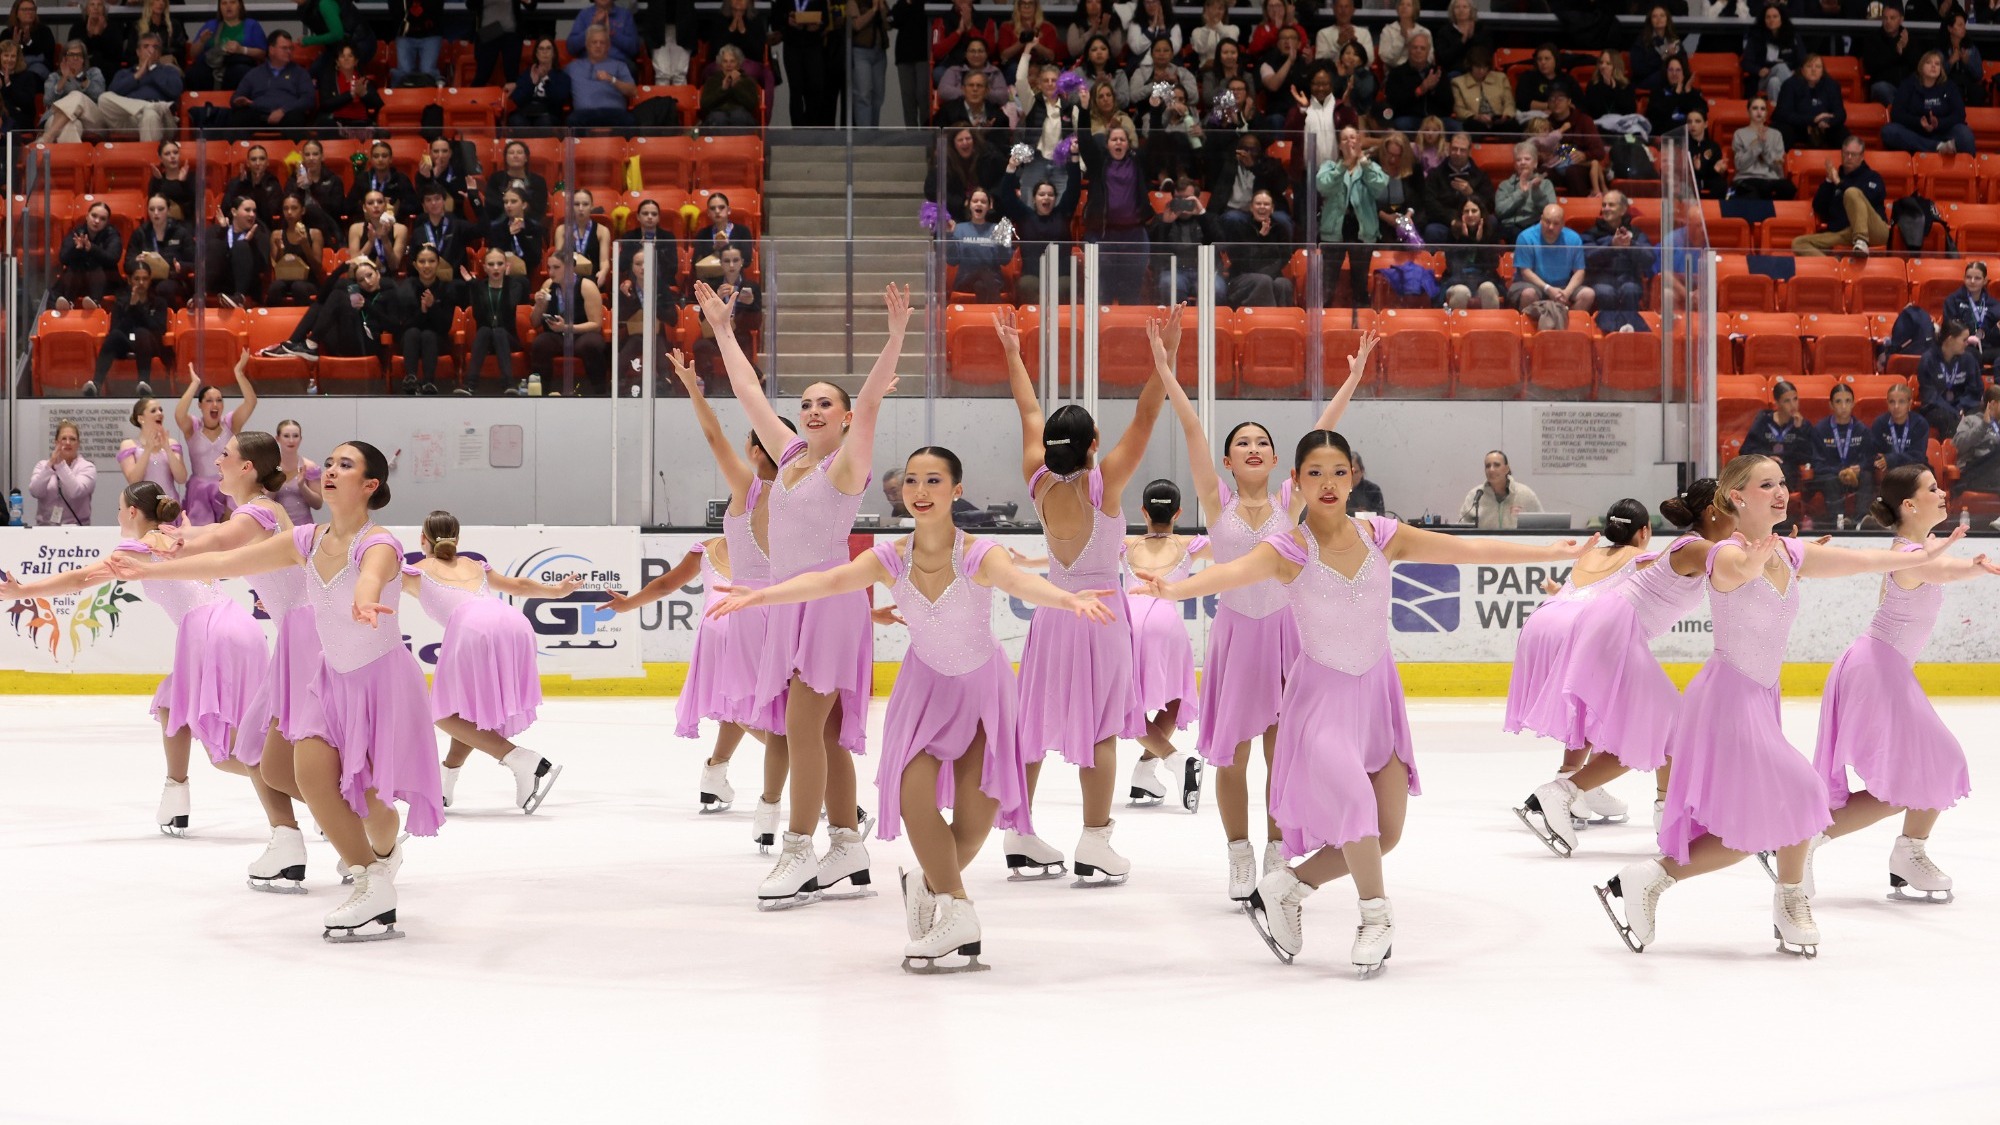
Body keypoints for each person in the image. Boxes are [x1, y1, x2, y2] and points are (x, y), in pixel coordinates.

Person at [1142, 429, 1593, 971]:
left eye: (1338, 471)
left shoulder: (1381, 535)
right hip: (1320, 704)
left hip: (1379, 697)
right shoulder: (1289, 549)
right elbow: (1228, 573)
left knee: (1388, 832)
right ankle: (1375, 915)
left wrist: (1547, 552)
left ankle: (1286, 887)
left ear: (1352, 476)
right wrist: (1172, 588)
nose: (1328, 483)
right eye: (1315, 473)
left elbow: (1466, 549)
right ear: (1297, 481)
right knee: (1356, 809)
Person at [711, 446, 1109, 970]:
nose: (921, 491)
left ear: (956, 490)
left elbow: (1020, 582)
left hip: (982, 694)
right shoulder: (890, 557)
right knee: (910, 794)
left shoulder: (979, 553)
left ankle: (931, 882)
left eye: (934, 480)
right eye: (913, 481)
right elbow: (829, 580)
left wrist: (1068, 599)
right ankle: (959, 912)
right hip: (923, 692)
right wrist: (761, 597)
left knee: (974, 823)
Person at [1594, 455, 1960, 957]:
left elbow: (1860, 561)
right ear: (1737, 497)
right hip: (1726, 700)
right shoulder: (1724, 553)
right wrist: (1752, 559)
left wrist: (1916, 559)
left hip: (1758, 697)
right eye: (1767, 485)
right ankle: (1789, 901)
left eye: (1783, 482)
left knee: (1755, 826)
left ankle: (1649, 879)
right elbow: (1735, 569)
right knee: (1802, 793)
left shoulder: (1789, 551)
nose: (1781, 491)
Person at [104, 442, 444, 942]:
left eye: (345, 466)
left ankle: (381, 859)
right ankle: (372, 878)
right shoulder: (306, 539)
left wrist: (366, 600)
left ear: (370, 485)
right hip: (329, 678)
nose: (331, 470)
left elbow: (372, 575)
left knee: (369, 795)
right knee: (295, 771)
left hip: (377, 681)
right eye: (330, 462)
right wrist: (150, 569)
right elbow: (229, 557)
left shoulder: (379, 543)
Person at [698, 280, 907, 909]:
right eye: (807, 403)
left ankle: (799, 851)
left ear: (843, 418)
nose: (813, 411)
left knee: (802, 728)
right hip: (792, 603)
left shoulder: (847, 463)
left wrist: (896, 337)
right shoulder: (788, 455)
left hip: (829, 605)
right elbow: (748, 391)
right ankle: (846, 843)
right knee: (830, 732)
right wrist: (723, 331)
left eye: (826, 404)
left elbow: (871, 402)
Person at [1155, 323, 1373, 897]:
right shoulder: (1215, 500)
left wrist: (1352, 377)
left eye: (1261, 442)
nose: (1252, 447)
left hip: (1284, 633)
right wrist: (1167, 372)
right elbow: (1192, 428)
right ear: (1228, 460)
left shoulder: (1289, 500)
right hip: (1236, 634)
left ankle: (1278, 848)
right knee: (1233, 755)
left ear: (1279, 460)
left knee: (1283, 751)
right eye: (1242, 443)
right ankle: (1239, 854)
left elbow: (1324, 430)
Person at [991, 307, 1166, 886]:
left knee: (1034, 723)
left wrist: (1013, 352)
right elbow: (1146, 415)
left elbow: (1027, 410)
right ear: (1094, 444)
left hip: (1051, 612)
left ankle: (1019, 832)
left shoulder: (1036, 478)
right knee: (1101, 728)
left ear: (1050, 447)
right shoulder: (1103, 483)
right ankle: (1094, 841)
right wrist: (1163, 357)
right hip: (1101, 614)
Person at [1, 481, 266, 842]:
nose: (117, 515)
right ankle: (176, 795)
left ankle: (314, 792)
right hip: (240, 624)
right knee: (172, 702)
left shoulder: (138, 548)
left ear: (132, 512)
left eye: (119, 508)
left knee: (226, 754)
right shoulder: (176, 536)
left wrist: (22, 592)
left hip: (209, 633)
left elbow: (79, 580)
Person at [612, 350, 789, 832]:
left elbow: (713, 436)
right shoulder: (808, 495)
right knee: (777, 713)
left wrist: (693, 388)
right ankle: (737, 776)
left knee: (762, 713)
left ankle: (746, 777)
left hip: (742, 611)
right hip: (788, 611)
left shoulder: (749, 490)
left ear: (757, 450)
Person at [1810, 465, 1996, 902]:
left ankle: (1908, 851)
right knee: (1924, 770)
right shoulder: (1907, 554)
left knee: (1927, 770)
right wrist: (1972, 566)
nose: (1943, 492)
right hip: (1876, 671)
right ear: (1910, 504)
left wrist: (1966, 563)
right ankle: (1806, 838)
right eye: (1933, 488)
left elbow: (1937, 564)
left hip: (1886, 670)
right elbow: (1941, 570)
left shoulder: (1916, 549)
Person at [1516, 480, 1734, 850]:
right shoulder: (1696, 547)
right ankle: (1567, 791)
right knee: (1661, 725)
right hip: (1613, 629)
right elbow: (1739, 568)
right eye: (1734, 507)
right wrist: (1786, 557)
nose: (1739, 515)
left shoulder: (1696, 545)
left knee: (1666, 725)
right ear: (1713, 512)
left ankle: (1658, 811)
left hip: (1613, 628)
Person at [398, 512, 573, 812]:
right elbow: (518, 586)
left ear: (422, 539)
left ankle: (521, 759)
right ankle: (446, 779)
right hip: (513, 623)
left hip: (473, 628)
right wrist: (556, 592)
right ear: (458, 538)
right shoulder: (475, 564)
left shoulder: (414, 572)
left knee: (440, 712)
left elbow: (375, 586)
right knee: (467, 710)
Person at [1505, 499, 1654, 851]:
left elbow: (1582, 590)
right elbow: (1685, 565)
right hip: (1578, 627)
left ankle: (1583, 781)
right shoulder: (1641, 557)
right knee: (1596, 702)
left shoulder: (1589, 554)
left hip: (1544, 620)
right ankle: (1573, 784)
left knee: (1589, 703)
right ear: (1644, 531)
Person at [1121, 479, 1208, 812]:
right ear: (1178, 512)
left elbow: (1075, 556)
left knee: (1125, 706)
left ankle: (1160, 765)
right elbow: (1238, 551)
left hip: (1129, 622)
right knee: (1175, 697)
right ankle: (1159, 764)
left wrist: (1029, 563)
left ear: (1143, 511)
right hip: (1166, 622)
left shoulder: (1126, 545)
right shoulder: (1188, 545)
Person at [174, 356, 258, 526]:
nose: (215, 404)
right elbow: (179, 414)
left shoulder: (231, 424)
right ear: (200, 405)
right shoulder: (193, 427)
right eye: (209, 400)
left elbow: (251, 402)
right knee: (201, 534)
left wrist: (239, 373)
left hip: (228, 486)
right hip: (199, 491)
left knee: (230, 533)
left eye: (219, 400)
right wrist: (194, 384)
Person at [1075, 125, 1152, 304]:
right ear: (1107, 144)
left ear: (1128, 144)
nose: (1118, 142)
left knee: (1130, 293)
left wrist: (1155, 113)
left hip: (1134, 237)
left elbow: (1154, 142)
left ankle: (1127, 322)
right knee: (1103, 292)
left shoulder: (1137, 162)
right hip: (1103, 235)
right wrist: (1084, 112)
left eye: (1122, 139)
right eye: (1114, 139)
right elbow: (1085, 142)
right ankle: (1100, 323)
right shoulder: (1098, 163)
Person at [1315, 124, 1388, 306]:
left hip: (1362, 232)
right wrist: (1343, 167)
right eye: (1345, 139)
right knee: (1327, 285)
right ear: (1339, 145)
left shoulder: (1369, 167)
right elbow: (1322, 186)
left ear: (1359, 142)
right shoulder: (1329, 166)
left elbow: (1380, 186)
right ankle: (1323, 318)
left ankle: (1361, 319)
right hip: (1334, 231)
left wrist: (1364, 163)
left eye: (1353, 138)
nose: (1349, 142)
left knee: (1360, 285)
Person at [1792, 136, 1888, 257]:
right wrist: (1829, 180)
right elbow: (1819, 207)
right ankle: (1832, 265)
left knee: (1852, 192)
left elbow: (1870, 197)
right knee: (1799, 243)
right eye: (1846, 153)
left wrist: (1839, 183)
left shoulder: (1873, 177)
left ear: (1862, 156)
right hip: (1844, 233)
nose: (1849, 157)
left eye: (1854, 154)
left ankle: (1861, 240)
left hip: (1873, 230)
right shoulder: (1835, 177)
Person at [530, 252, 609, 396]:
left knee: (591, 345)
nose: (551, 272)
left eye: (556, 267)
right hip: (557, 334)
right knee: (540, 344)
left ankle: (600, 392)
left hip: (582, 333)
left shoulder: (587, 286)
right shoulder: (548, 285)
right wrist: (539, 305)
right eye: (549, 267)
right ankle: (541, 393)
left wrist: (567, 327)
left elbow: (596, 324)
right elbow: (534, 323)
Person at [87, 255, 166, 394]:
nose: (141, 283)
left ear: (150, 280)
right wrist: (131, 307)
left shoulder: (159, 302)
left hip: (150, 344)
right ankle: (96, 384)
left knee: (141, 333)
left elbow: (158, 328)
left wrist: (137, 307)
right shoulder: (120, 302)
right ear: (129, 280)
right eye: (137, 279)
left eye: (145, 279)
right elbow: (116, 329)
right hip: (126, 342)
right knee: (115, 336)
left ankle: (144, 384)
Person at [1883, 50, 1977, 155]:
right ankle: (1937, 146)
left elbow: (1959, 114)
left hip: (1943, 132)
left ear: (1941, 69)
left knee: (1965, 134)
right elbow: (1897, 113)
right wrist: (1919, 122)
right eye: (1928, 62)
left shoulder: (1950, 86)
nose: (1933, 66)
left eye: (1937, 64)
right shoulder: (1908, 85)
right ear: (1921, 67)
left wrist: (1939, 123)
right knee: (1889, 131)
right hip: (1915, 132)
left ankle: (1969, 164)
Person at [396, 246, 460, 395]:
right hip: (410, 341)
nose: (427, 266)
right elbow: (404, 325)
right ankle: (410, 380)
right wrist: (423, 311)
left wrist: (433, 307)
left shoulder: (446, 288)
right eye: (422, 261)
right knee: (412, 332)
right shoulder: (406, 287)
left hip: (437, 341)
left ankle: (429, 383)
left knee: (428, 335)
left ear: (438, 263)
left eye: (431, 261)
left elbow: (445, 326)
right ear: (415, 264)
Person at [464, 248, 529, 394]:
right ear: (484, 267)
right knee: (484, 330)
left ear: (506, 266)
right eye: (491, 264)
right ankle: (470, 385)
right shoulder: (479, 286)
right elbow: (478, 317)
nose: (495, 268)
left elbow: (508, 310)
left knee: (499, 331)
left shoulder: (514, 285)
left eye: (500, 264)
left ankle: (509, 384)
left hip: (508, 338)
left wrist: (505, 284)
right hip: (486, 339)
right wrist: (473, 289)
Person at [96, 32, 181, 142]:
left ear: (159, 53)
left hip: (162, 119)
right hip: (130, 119)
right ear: (138, 52)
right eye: (146, 46)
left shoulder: (169, 71)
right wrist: (138, 75)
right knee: (103, 98)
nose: (151, 50)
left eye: (155, 47)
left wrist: (152, 71)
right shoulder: (125, 73)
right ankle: (151, 106)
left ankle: (152, 109)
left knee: (150, 114)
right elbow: (114, 92)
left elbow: (175, 91)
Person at [1149, 177, 1222, 305]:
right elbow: (1155, 251)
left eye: (1187, 198)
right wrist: (1165, 225)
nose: (1183, 202)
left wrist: (1202, 216)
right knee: (1170, 285)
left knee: (1217, 289)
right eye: (1179, 198)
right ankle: (1179, 318)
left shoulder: (1209, 219)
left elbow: (1219, 243)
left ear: (1196, 199)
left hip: (1204, 270)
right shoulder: (1162, 219)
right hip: (1173, 270)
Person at [1510, 204, 1594, 314]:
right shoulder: (1525, 237)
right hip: (1531, 284)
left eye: (1556, 223)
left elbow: (1579, 271)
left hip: (1563, 286)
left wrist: (1567, 292)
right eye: (1547, 222)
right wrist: (1548, 289)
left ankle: (1566, 322)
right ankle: (1533, 324)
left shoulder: (1574, 238)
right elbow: (1525, 272)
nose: (1550, 227)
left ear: (1563, 223)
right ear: (1541, 219)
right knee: (1529, 294)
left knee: (1588, 294)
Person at [1742, 378, 1813, 505]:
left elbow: (1807, 456)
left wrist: (1799, 431)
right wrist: (1766, 457)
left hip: (1789, 472)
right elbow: (1746, 450)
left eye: (1795, 399)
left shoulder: (1803, 425)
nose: (1793, 405)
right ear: (1777, 403)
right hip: (1764, 470)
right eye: (1787, 401)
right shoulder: (1763, 421)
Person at [1583, 191, 1655, 313]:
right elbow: (1587, 257)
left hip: (1629, 280)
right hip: (1601, 281)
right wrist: (1611, 246)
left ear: (1623, 210)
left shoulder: (1636, 233)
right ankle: (1607, 325)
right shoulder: (1592, 233)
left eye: (1611, 205)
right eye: (1604, 205)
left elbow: (1649, 258)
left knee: (1630, 289)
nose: (1606, 208)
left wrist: (1631, 245)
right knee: (1605, 292)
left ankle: (1630, 325)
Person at [228, 31, 313, 133]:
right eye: (284, 48)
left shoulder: (300, 73)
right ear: (271, 50)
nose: (289, 51)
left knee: (296, 119)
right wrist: (239, 101)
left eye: (291, 48)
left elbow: (308, 99)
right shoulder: (254, 73)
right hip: (258, 114)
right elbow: (236, 97)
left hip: (287, 115)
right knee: (239, 117)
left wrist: (283, 110)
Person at [1419, 130, 1493, 246]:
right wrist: (1451, 220)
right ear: (1448, 148)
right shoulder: (1435, 174)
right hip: (1446, 222)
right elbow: (1430, 204)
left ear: (1469, 151)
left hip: (1474, 222)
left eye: (1462, 150)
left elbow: (1490, 205)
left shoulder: (1481, 176)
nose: (1457, 153)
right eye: (1454, 149)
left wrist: (1471, 193)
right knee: (1432, 231)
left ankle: (1484, 257)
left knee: (1492, 222)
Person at [1222, 188, 1294, 307]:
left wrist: (1266, 239)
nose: (1262, 207)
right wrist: (1260, 238)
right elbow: (1242, 262)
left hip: (1272, 276)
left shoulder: (1280, 229)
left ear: (1272, 208)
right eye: (1258, 203)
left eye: (1266, 204)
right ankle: (1264, 317)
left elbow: (1282, 259)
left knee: (1284, 283)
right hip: (1242, 277)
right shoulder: (1239, 227)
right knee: (1263, 280)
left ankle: (1283, 318)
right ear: (1251, 207)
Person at [1918, 319, 1984, 435]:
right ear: (1950, 339)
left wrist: (1962, 407)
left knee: (1982, 415)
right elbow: (1930, 396)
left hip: (1963, 407)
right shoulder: (1928, 360)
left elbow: (1975, 390)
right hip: (1937, 408)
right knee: (1947, 419)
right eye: (1964, 340)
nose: (1967, 343)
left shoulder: (1968, 359)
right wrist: (1954, 412)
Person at [566, 25, 637, 130]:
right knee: (572, 121)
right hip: (584, 114)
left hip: (614, 113)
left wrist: (612, 79)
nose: (598, 46)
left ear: (608, 46)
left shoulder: (619, 65)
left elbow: (633, 91)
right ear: (587, 45)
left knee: (630, 121)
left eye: (602, 42)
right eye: (594, 42)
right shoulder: (572, 67)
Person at [948, 187, 1011, 303]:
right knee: (983, 272)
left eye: (983, 202)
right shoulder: (959, 229)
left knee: (981, 285)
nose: (979, 204)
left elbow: (1005, 260)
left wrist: (1003, 242)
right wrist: (949, 235)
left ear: (989, 206)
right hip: (965, 280)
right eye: (975, 201)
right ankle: (996, 310)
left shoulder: (996, 229)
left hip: (992, 281)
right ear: (969, 204)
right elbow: (952, 261)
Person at [1441, 196, 1503, 310]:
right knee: (1461, 291)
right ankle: (1457, 322)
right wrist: (1465, 240)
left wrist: (1480, 242)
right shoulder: (1453, 233)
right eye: (1466, 211)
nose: (1470, 215)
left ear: (1481, 213)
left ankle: (1491, 322)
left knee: (1488, 288)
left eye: (1474, 211)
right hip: (1458, 280)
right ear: (1461, 214)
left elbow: (1493, 264)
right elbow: (1452, 265)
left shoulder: (1490, 231)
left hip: (1484, 279)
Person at [118, 396, 185, 499]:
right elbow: (133, 480)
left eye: (160, 410)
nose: (159, 413)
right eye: (153, 411)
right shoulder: (129, 445)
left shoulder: (171, 444)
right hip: (144, 505)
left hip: (169, 503)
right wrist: (148, 450)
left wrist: (168, 449)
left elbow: (181, 478)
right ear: (141, 418)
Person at [29, 420, 95, 526]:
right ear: (56, 443)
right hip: (45, 528)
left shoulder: (87, 467)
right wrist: (49, 466)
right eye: (64, 438)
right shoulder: (42, 466)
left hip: (77, 529)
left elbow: (75, 492)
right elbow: (35, 492)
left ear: (78, 443)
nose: (68, 442)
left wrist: (61, 465)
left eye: (72, 439)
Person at [1384, 31, 1451, 134]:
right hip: (1410, 118)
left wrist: (1433, 90)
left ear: (1428, 52)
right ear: (1408, 50)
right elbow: (1393, 103)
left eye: (1422, 48)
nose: (1418, 51)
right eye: (1415, 47)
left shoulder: (1438, 73)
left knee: (1456, 126)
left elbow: (1449, 105)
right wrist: (1419, 90)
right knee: (1400, 124)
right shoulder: (1397, 73)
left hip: (1436, 120)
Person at [1775, 53, 1847, 149]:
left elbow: (1841, 114)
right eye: (1809, 66)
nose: (1813, 70)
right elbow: (1783, 114)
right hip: (1798, 126)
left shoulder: (1832, 85)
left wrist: (1828, 121)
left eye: (1818, 67)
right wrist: (1812, 120)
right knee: (1783, 130)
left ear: (1822, 71)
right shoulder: (1789, 85)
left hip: (1824, 127)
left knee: (1842, 134)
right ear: (1802, 70)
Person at [55, 201, 120, 305]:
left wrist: (91, 248)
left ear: (107, 222)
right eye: (94, 216)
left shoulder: (112, 235)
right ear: (87, 216)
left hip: (105, 281)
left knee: (96, 268)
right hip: (79, 280)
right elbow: (63, 258)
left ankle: (95, 303)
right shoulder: (77, 232)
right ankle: (67, 303)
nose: (97, 221)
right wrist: (76, 249)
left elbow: (112, 258)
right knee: (73, 268)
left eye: (102, 219)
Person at [267, 192, 325, 308]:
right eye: (285, 209)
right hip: (284, 278)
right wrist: (280, 250)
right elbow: (276, 267)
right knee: (275, 287)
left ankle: (307, 317)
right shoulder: (277, 234)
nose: (289, 212)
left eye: (294, 208)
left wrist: (305, 246)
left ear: (302, 210)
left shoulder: (314, 234)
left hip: (308, 280)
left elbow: (317, 269)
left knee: (298, 287)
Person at [1459, 449, 1542, 528]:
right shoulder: (1475, 495)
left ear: (1507, 469)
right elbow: (1462, 527)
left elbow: (1542, 525)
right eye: (1488, 466)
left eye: (1497, 465)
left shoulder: (1525, 494)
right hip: (1485, 539)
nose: (1491, 470)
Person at [1731, 96, 1794, 200]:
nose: (1759, 112)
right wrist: (1757, 145)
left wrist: (1764, 146)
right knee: (1757, 191)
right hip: (1747, 177)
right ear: (1748, 112)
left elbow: (1778, 166)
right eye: (1755, 108)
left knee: (1789, 188)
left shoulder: (1776, 134)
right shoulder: (1739, 134)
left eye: (1762, 109)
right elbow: (1740, 165)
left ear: (1766, 113)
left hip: (1771, 178)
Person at [552, 189, 614, 292]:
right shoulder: (562, 230)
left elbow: (604, 261)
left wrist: (603, 272)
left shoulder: (602, 231)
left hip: (592, 277)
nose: (581, 208)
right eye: (576, 204)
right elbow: (559, 259)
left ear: (592, 206)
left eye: (585, 204)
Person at [1741, 1, 1803, 103]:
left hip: (1784, 76)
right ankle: (1799, 97)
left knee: (1774, 82)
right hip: (1762, 79)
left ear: (1781, 19)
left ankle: (1777, 111)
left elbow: (1802, 60)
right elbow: (1745, 62)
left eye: (1775, 17)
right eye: (1768, 17)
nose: (1771, 20)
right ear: (1764, 20)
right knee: (1780, 67)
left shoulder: (1792, 37)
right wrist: (1758, 70)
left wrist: (1795, 71)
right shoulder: (1756, 37)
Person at [1862, 3, 1922, 106]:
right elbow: (1870, 67)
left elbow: (1918, 65)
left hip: (1906, 85)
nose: (1888, 21)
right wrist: (1897, 53)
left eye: (1892, 18)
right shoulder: (1873, 39)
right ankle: (1899, 111)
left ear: (1901, 19)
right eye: (1885, 18)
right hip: (1884, 84)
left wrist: (1905, 50)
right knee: (1881, 88)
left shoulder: (1909, 39)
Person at [1494, 141, 1554, 244]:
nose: (1522, 162)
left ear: (1535, 163)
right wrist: (1520, 193)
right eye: (1518, 160)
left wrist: (1536, 191)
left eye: (1527, 159)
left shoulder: (1546, 184)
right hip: (1511, 228)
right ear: (1515, 165)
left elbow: (1551, 213)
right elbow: (1499, 211)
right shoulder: (1505, 185)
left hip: (1536, 226)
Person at [314, 41, 380, 133]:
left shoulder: (362, 80)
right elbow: (325, 105)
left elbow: (377, 104)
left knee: (383, 134)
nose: (346, 59)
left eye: (350, 56)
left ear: (356, 61)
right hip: (337, 123)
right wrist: (350, 95)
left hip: (362, 124)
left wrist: (364, 94)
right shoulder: (328, 79)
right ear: (337, 62)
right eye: (342, 56)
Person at [1450, 47, 1515, 140]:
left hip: (1499, 121)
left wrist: (1506, 115)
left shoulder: (1501, 78)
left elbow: (1509, 103)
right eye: (1478, 67)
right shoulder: (1458, 82)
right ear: (1470, 66)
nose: (1482, 71)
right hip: (1475, 122)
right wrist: (1477, 117)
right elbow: (1459, 109)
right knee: (1472, 126)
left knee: (1513, 125)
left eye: (1484, 67)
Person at [505, 37, 571, 128]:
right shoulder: (528, 73)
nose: (545, 52)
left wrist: (546, 79)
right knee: (516, 120)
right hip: (526, 113)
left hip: (548, 113)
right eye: (541, 49)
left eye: (548, 48)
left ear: (553, 53)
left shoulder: (561, 76)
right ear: (536, 54)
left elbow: (559, 100)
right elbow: (518, 99)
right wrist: (532, 83)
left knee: (544, 122)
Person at [347, 140, 417, 224]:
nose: (380, 159)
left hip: (394, 224)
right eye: (376, 156)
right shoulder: (362, 179)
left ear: (390, 159)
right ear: (371, 160)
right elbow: (348, 206)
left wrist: (397, 207)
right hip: (367, 224)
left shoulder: (401, 179)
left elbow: (416, 206)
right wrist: (366, 208)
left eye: (384, 156)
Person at [1945, 262, 2000, 364]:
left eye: (1977, 278)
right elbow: (1949, 327)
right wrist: (1965, 338)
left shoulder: (1994, 304)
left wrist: (1997, 329)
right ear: (1964, 278)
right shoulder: (1953, 301)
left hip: (1987, 348)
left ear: (1985, 281)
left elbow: (1994, 339)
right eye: (1968, 277)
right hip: (1964, 347)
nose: (1972, 281)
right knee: (1970, 355)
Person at [346, 190, 407, 277]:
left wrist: (385, 239)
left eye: (380, 202)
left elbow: (394, 265)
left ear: (385, 206)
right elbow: (354, 265)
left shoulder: (400, 229)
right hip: (363, 278)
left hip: (388, 278)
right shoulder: (355, 229)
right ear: (364, 208)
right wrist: (370, 242)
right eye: (370, 203)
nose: (376, 206)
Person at [224, 145, 286, 230]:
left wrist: (258, 187)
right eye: (253, 159)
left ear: (267, 162)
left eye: (262, 159)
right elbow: (226, 210)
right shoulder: (237, 183)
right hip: (239, 228)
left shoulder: (273, 185)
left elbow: (271, 215)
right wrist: (241, 186)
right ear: (248, 163)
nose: (258, 163)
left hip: (264, 230)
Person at [1645, 54, 1706, 139]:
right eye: (1671, 70)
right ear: (1666, 72)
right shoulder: (1658, 92)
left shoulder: (1690, 91)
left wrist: (1689, 92)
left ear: (1684, 72)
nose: (1674, 74)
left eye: (1678, 70)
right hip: (1664, 138)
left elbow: (1703, 111)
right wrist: (1676, 94)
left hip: (1689, 138)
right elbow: (1657, 116)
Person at [700, 44, 760, 130]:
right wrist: (723, 89)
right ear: (721, 64)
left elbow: (752, 105)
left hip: (741, 113)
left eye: (732, 61)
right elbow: (705, 105)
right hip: (717, 113)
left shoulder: (747, 81)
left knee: (738, 116)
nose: (728, 65)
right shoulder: (712, 80)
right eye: (725, 61)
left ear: (738, 64)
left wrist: (736, 86)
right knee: (719, 118)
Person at [272, 419, 321, 525]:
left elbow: (318, 504)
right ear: (277, 438)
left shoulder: (310, 467)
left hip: (304, 527)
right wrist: (275, 484)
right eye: (286, 436)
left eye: (295, 436)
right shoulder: (270, 467)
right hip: (276, 527)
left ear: (300, 439)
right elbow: (261, 502)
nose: (291, 440)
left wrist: (303, 486)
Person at [848, 0, 888, 127]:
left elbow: (889, 25)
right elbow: (856, 24)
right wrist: (873, 10)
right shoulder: (853, 2)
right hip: (861, 51)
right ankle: (864, 134)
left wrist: (882, 8)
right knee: (863, 94)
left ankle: (873, 131)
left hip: (879, 51)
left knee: (878, 96)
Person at [1955, 384, 2000, 494]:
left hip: (1993, 471)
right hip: (1973, 470)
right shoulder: (1970, 420)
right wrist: (1983, 426)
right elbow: (1959, 444)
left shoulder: (1998, 425)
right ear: (1993, 404)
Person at [566, 0, 639, 65]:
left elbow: (634, 49)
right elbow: (571, 48)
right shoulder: (584, 14)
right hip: (588, 64)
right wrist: (592, 28)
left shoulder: (625, 15)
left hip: (619, 64)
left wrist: (611, 32)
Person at [1630, 4, 1683, 90]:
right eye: (1655, 16)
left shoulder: (1674, 40)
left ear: (1667, 19)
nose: (1659, 19)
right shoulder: (1641, 41)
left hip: (1670, 79)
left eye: (1662, 16)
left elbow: (1683, 64)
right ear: (1650, 21)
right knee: (1664, 75)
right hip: (1647, 80)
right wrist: (1664, 55)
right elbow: (1638, 68)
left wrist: (1674, 56)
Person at [1684, 107, 1726, 199]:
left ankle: (1714, 208)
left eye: (1697, 121)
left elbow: (1714, 172)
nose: (1693, 125)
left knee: (1720, 184)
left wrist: (1716, 169)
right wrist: (1696, 169)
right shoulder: (1683, 145)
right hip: (1690, 179)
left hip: (1709, 179)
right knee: (1688, 184)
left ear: (1706, 124)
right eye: (1689, 122)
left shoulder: (1713, 146)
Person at [1376, 0, 1427, 69]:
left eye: (1408, 5)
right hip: (1394, 71)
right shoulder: (1388, 30)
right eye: (1401, 4)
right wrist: (1401, 38)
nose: (1404, 7)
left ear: (1415, 8)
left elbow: (1429, 58)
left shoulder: (1424, 32)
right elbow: (1386, 58)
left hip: (1419, 70)